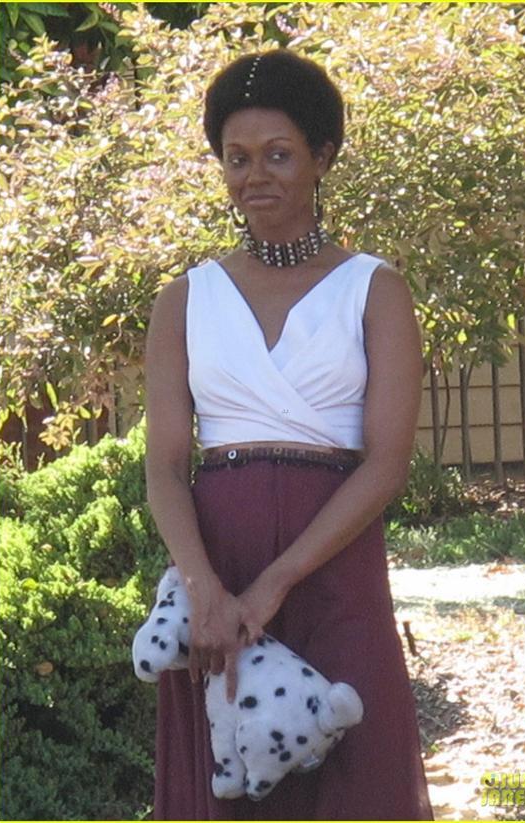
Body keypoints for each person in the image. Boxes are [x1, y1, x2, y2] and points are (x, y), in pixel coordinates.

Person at [145, 49, 434, 821]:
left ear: (323, 157)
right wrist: (205, 589)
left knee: (356, 772)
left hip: (334, 562)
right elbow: (165, 466)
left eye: (278, 154)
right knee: (230, 774)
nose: (254, 176)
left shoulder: (375, 288)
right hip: (218, 563)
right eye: (236, 158)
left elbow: (387, 463)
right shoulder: (183, 300)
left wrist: (276, 581)